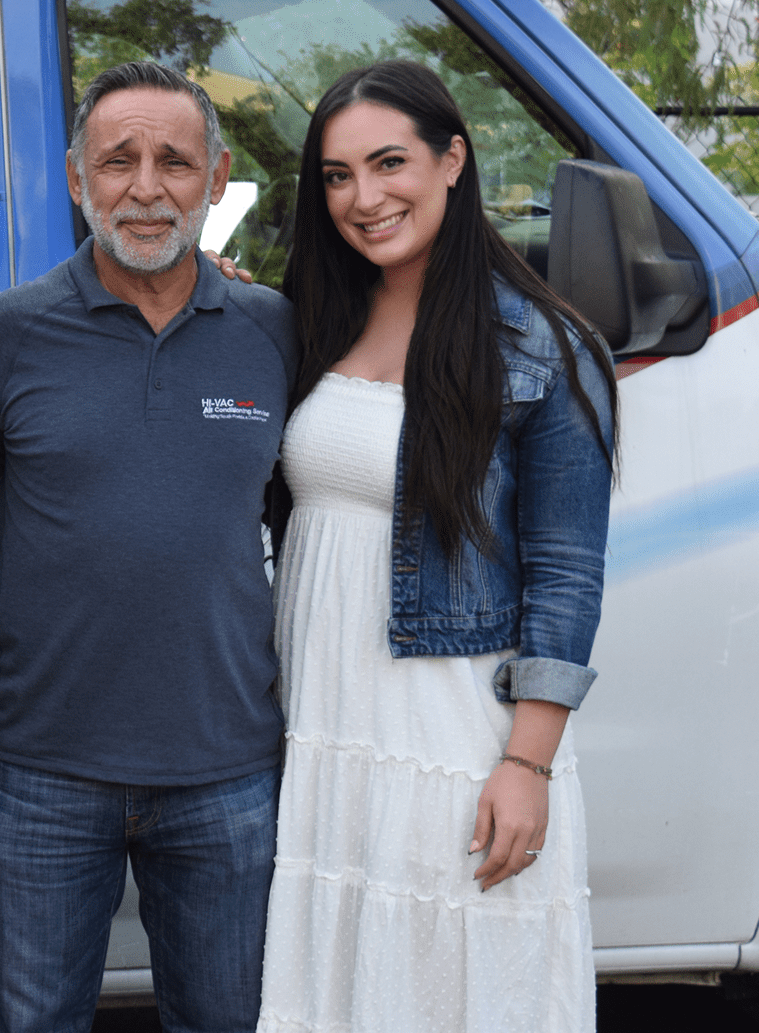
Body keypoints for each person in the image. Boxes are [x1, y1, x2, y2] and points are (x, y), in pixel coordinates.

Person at [256, 60, 616, 1033]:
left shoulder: (542, 345)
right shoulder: (317, 318)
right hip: (327, 726)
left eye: (389, 163)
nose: (364, 199)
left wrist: (527, 765)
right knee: (346, 990)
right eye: (336, 175)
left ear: (453, 158)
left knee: (455, 984)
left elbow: (568, 572)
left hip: (449, 737)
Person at [0, 60, 298, 1033]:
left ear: (217, 177)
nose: (146, 187)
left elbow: (302, 511)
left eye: (175, 161)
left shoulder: (274, 328)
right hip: (41, 777)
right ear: (77, 179)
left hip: (228, 772)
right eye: (118, 161)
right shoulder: (9, 334)